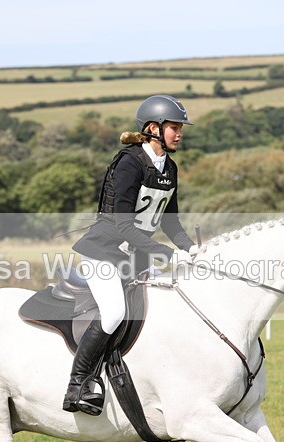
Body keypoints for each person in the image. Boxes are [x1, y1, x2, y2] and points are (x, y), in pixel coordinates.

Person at [63, 94, 198, 414]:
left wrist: (192, 249)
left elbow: (171, 220)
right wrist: (166, 254)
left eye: (181, 128)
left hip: (135, 256)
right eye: (174, 127)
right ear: (154, 128)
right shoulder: (129, 162)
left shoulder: (170, 168)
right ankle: (77, 385)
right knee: (113, 313)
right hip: (103, 253)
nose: (180, 133)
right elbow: (124, 226)